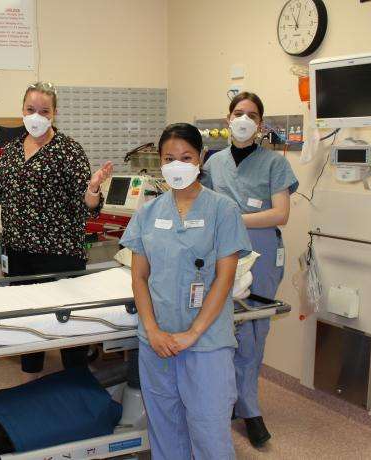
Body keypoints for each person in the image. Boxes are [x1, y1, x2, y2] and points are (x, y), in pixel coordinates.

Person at [0, 81, 113, 373]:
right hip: (19, 253)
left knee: (70, 328)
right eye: (30, 109)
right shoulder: (11, 150)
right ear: (22, 110)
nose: (36, 116)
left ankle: (77, 386)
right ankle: (32, 382)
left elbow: (88, 206)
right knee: (27, 324)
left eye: (44, 110)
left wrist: (92, 189)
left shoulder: (69, 150)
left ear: (54, 113)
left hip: (60, 254)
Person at [120, 123, 252, 459]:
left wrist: (192, 334)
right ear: (160, 162)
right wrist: (152, 331)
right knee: (164, 428)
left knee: (209, 432)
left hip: (205, 343)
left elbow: (224, 279)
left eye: (186, 157)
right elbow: (139, 278)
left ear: (200, 158)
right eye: (169, 158)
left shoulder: (223, 210)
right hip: (157, 342)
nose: (177, 165)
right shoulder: (148, 212)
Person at [202, 92, 298, 447]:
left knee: (254, 332)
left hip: (262, 251)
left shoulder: (275, 165)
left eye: (252, 115)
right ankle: (227, 400)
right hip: (223, 253)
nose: (244, 119)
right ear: (228, 119)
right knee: (222, 328)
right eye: (238, 113)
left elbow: (281, 214)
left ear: (260, 125)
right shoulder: (213, 164)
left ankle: (250, 408)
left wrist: (234, 218)